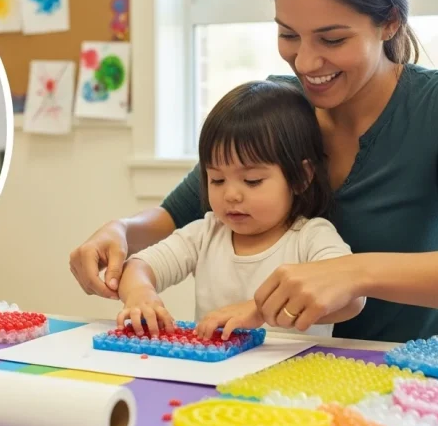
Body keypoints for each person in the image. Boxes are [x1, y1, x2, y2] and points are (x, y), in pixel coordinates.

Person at [70, 0, 438, 343]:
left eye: (333, 39)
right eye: (288, 35)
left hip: (416, 376)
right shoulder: (278, 106)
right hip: (284, 376)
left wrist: (354, 273)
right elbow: (178, 217)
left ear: (390, 22)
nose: (306, 61)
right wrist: (118, 232)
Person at [114, 80, 364, 341]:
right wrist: (140, 294)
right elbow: (139, 266)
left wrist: (260, 311)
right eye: (217, 180)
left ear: (301, 177)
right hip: (216, 375)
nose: (231, 195)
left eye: (252, 181)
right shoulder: (205, 234)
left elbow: (352, 298)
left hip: (297, 376)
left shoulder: (311, 237)